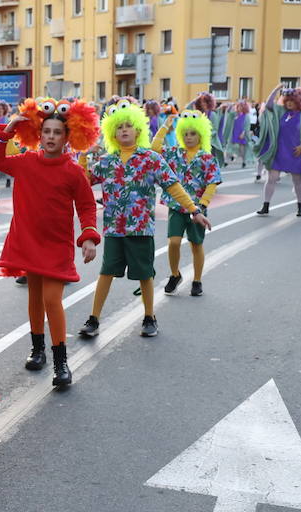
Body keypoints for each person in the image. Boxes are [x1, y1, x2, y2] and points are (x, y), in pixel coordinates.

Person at [0, 98, 101, 386]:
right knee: (35, 298)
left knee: (52, 299)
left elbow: (87, 206)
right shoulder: (26, 162)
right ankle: (37, 350)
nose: (51, 137)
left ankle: (61, 362)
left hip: (56, 245)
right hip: (27, 241)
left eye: (57, 132)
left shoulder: (73, 171)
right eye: (47, 131)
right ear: (40, 135)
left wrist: (88, 236)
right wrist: (9, 130)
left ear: (67, 138)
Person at [79, 101, 210, 341]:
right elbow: (83, 181)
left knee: (144, 275)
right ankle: (93, 319)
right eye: (119, 127)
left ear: (139, 130)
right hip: (114, 230)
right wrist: (84, 157)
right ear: (112, 132)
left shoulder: (151, 159)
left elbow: (173, 186)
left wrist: (193, 210)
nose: (125, 130)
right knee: (106, 272)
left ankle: (150, 317)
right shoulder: (107, 162)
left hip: (140, 229)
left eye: (129, 126)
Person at [156, 110, 222, 297]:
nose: (189, 137)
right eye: (185, 133)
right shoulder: (175, 153)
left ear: (201, 134)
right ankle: (175, 275)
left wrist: (202, 204)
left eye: (193, 133)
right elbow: (154, 149)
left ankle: (197, 280)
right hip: (177, 207)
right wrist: (165, 127)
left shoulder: (207, 157)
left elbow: (212, 183)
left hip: (197, 209)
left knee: (196, 244)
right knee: (173, 242)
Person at [254, 84, 301, 218]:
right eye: (287, 100)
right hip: (279, 151)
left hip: (296, 152)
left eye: (292, 101)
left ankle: (300, 205)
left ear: (299, 102)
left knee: (297, 180)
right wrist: (276, 89)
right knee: (272, 178)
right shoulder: (281, 111)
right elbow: (269, 105)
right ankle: (265, 206)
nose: (289, 103)